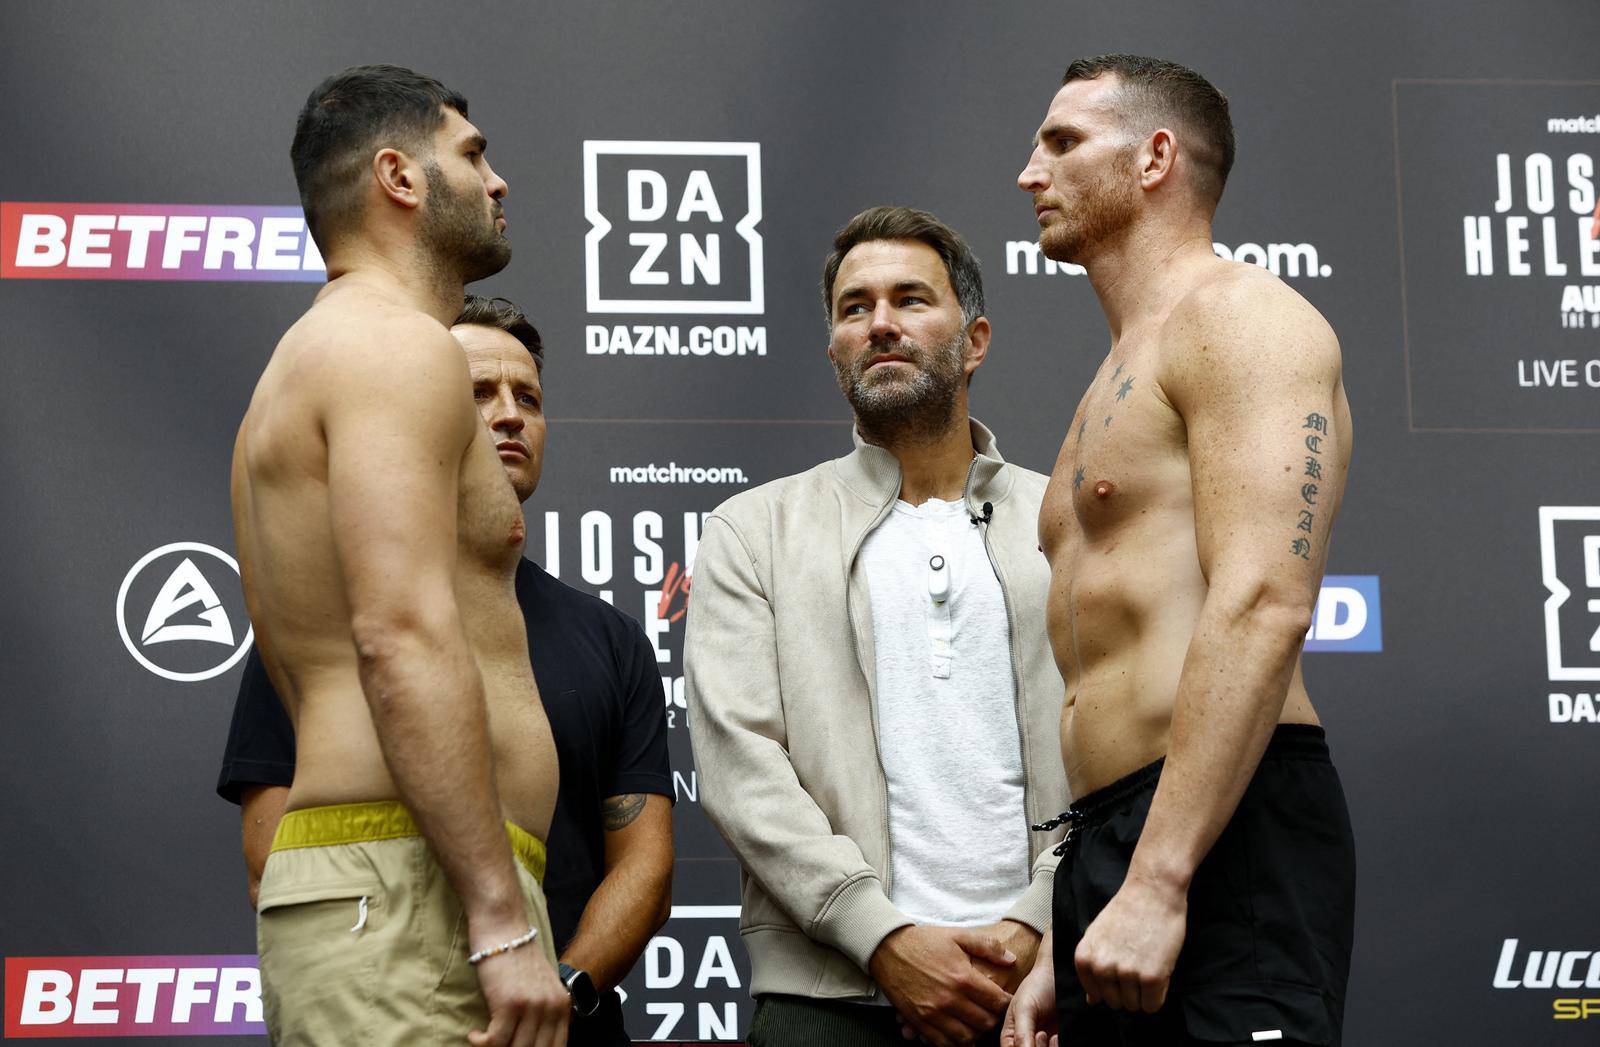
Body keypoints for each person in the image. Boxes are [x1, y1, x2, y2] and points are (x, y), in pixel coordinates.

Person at [1004, 54, 1356, 1047]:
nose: (1029, 174)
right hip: (1112, 839)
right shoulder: (1119, 368)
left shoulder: (1240, 317)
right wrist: (1059, 929)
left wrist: (1161, 882)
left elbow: (1264, 602)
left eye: (1063, 142)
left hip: (1224, 832)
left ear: (1154, 156)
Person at [219, 294, 674, 1046]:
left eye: (526, 396)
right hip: (393, 991)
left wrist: (557, 989)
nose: (506, 415)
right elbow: (274, 855)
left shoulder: (613, 637)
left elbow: (645, 866)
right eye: (474, 394)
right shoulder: (327, 612)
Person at [231, 65, 567, 1046]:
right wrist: (499, 924)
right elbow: (399, 633)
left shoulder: (317, 357)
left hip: (400, 882)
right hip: (413, 889)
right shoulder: (394, 349)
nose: (497, 181)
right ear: (399, 176)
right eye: (471, 155)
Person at [685, 205, 1069, 1047]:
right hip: (825, 996)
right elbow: (739, 763)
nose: (881, 323)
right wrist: (883, 936)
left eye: (910, 299)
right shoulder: (754, 529)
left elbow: (1122, 746)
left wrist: (1039, 919)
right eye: (854, 308)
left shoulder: (1067, 518)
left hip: (1042, 990)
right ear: (833, 350)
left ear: (974, 340)